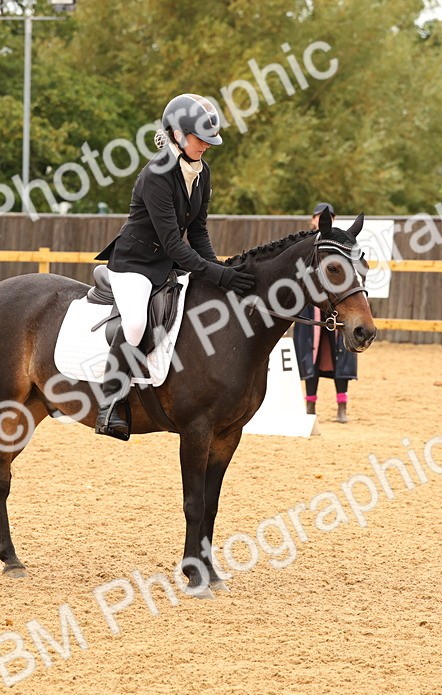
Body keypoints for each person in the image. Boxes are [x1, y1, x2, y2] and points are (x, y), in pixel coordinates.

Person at [92, 94, 256, 441]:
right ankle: (109, 404)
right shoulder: (156, 175)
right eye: (200, 139)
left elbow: (197, 232)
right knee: (136, 323)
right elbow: (173, 243)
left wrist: (218, 269)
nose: (206, 147)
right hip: (134, 264)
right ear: (177, 135)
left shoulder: (201, 171)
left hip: (167, 265)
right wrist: (218, 274)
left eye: (210, 141)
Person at [292, 202, 358, 423]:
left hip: (336, 306)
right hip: (311, 308)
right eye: (320, 216)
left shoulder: (339, 244)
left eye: (328, 216)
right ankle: (310, 404)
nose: (323, 220)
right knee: (312, 355)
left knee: (341, 353)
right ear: (313, 219)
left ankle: (342, 406)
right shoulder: (303, 243)